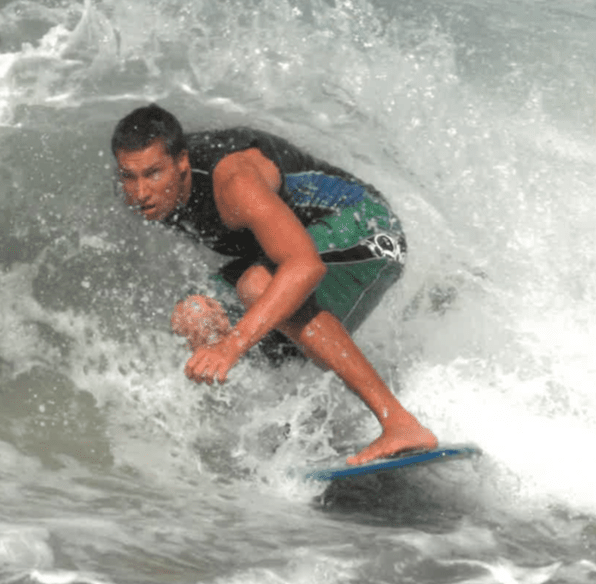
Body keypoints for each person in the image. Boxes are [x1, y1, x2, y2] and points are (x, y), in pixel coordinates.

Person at [110, 103, 437, 465]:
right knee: (194, 314)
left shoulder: (234, 182)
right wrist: (221, 341)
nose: (139, 192)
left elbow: (304, 267)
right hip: (305, 247)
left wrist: (233, 345)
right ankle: (287, 429)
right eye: (129, 176)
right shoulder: (152, 193)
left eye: (153, 174)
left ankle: (400, 423)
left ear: (182, 163)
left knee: (257, 284)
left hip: (368, 229)